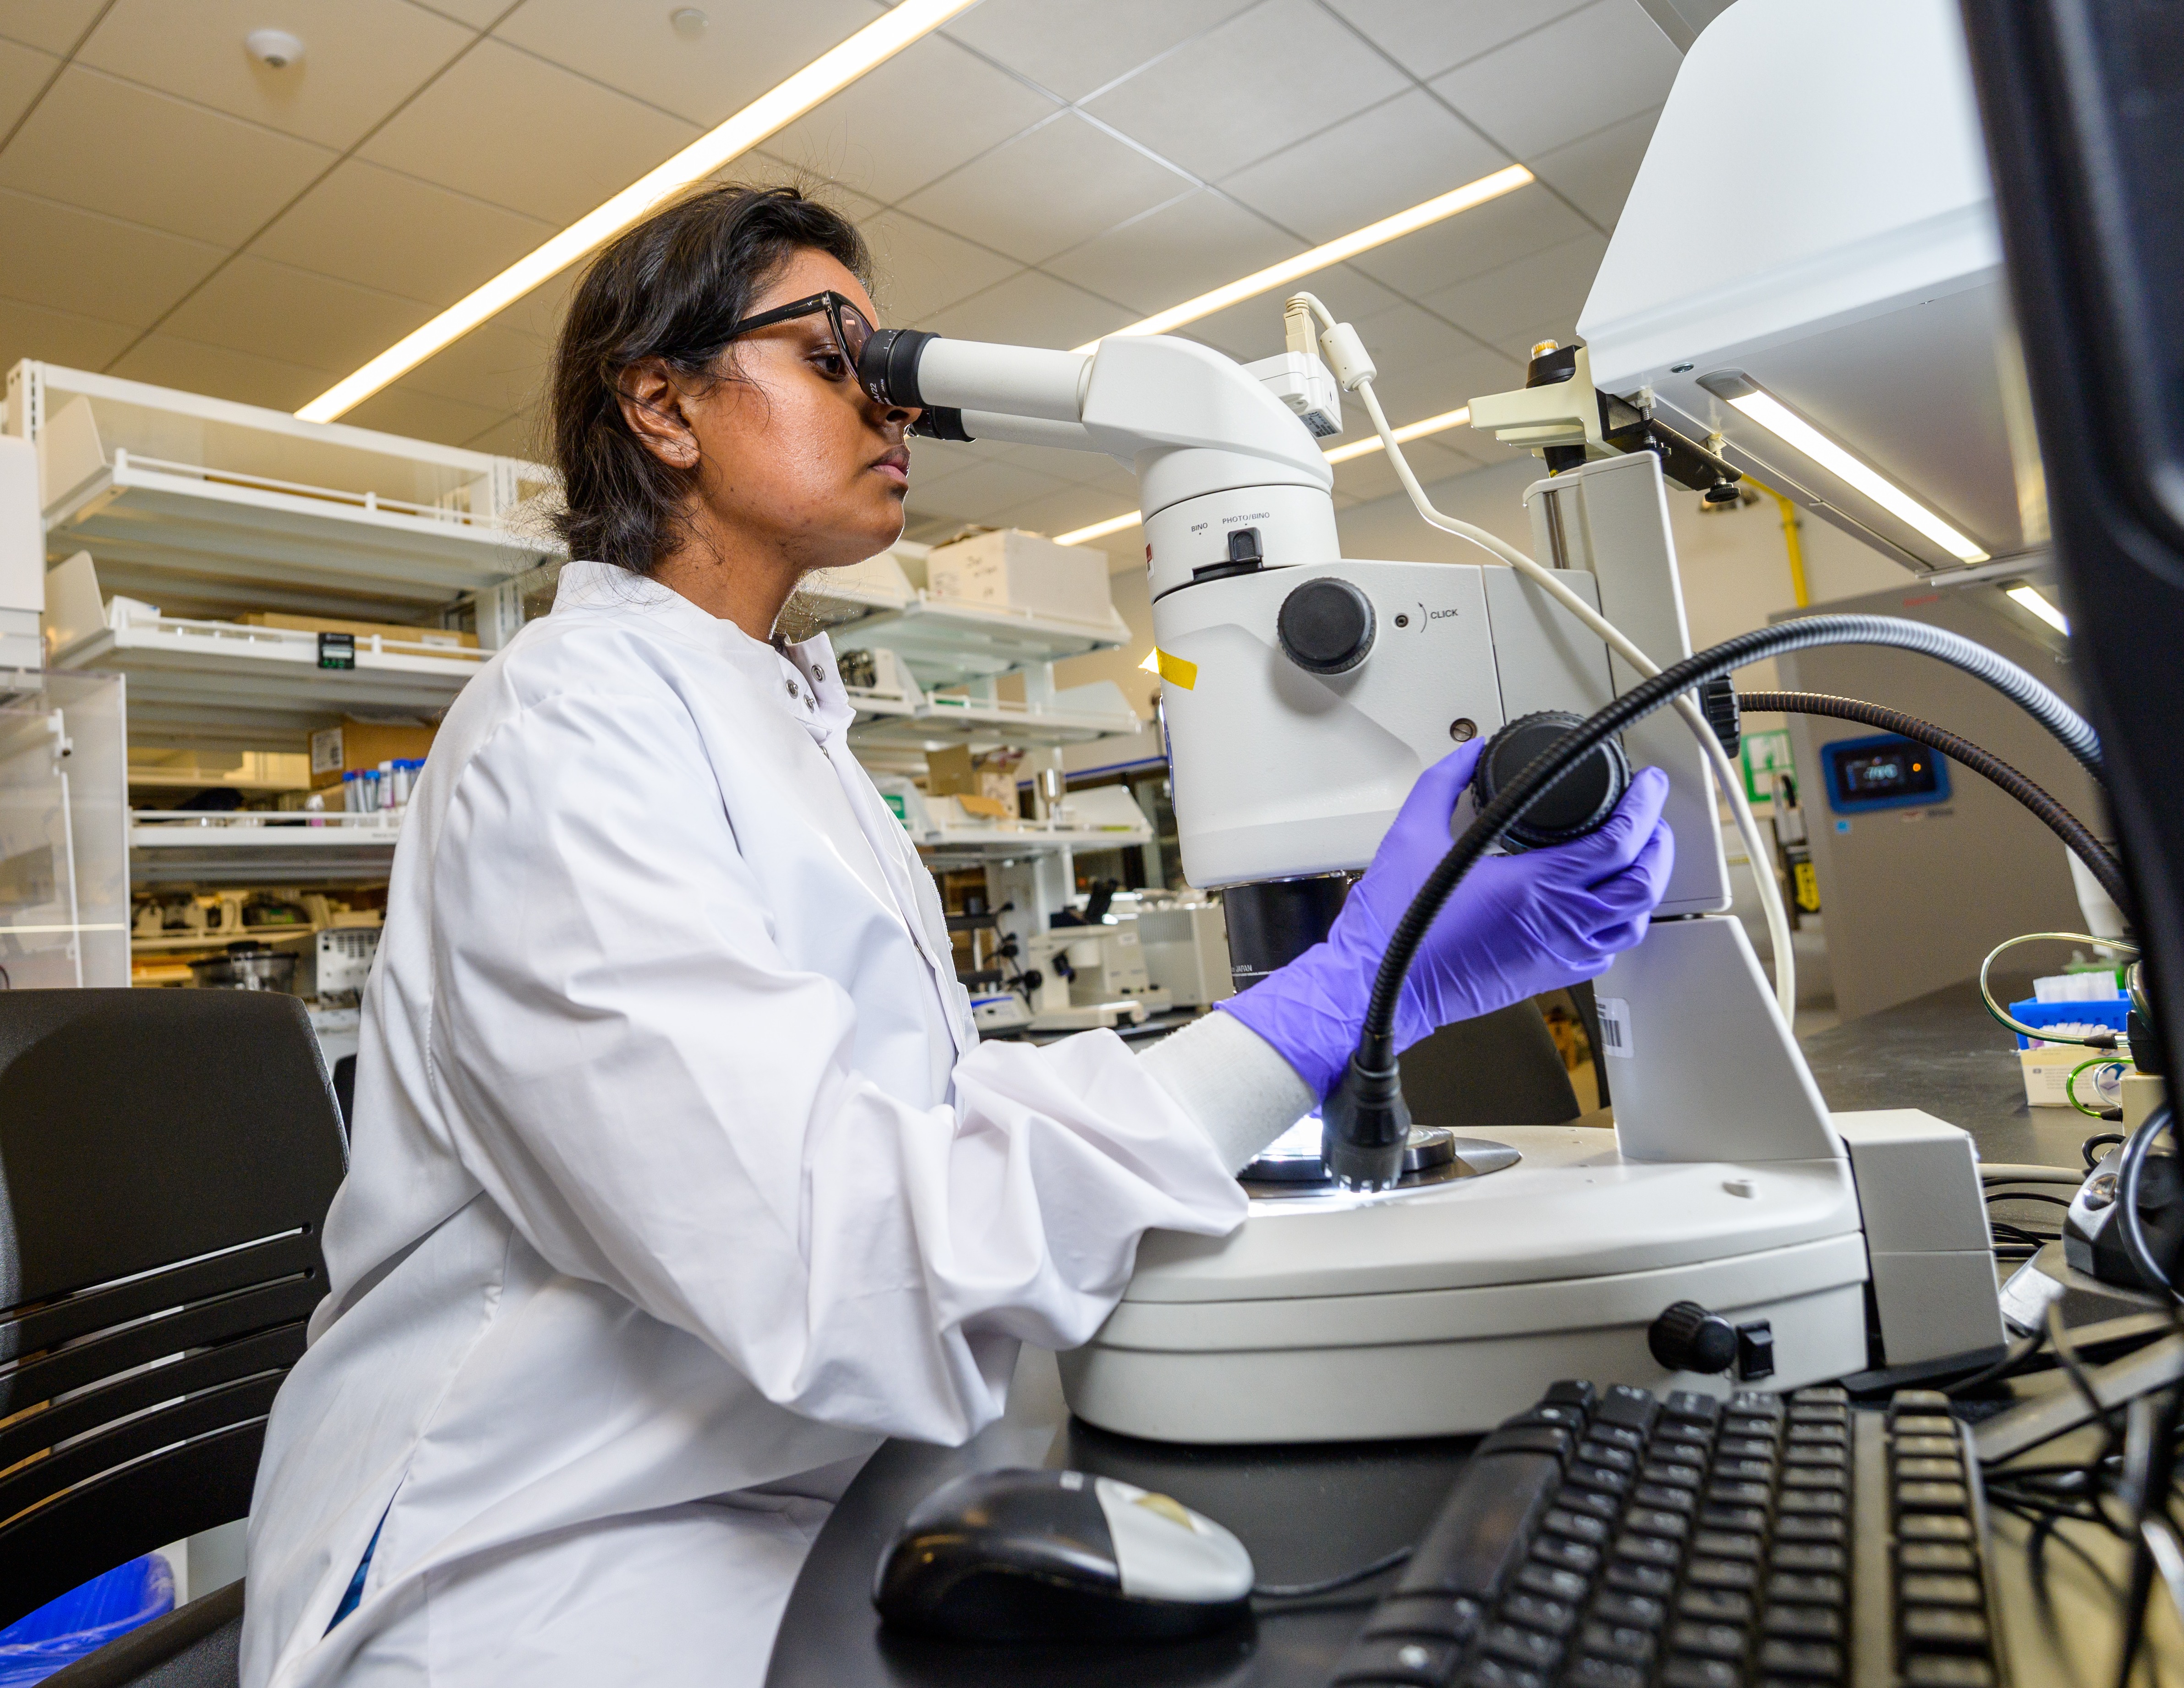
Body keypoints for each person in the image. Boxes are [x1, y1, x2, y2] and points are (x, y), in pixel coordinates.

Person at [240, 184, 1674, 1688]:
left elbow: (928, 1113)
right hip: (549, 1556)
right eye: (831, 354)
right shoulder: (570, 727)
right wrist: (1342, 993)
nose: (892, 406)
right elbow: (828, 1251)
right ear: (662, 404)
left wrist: (1307, 1031)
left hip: (794, 1484)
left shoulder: (780, 718)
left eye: (891, 364)